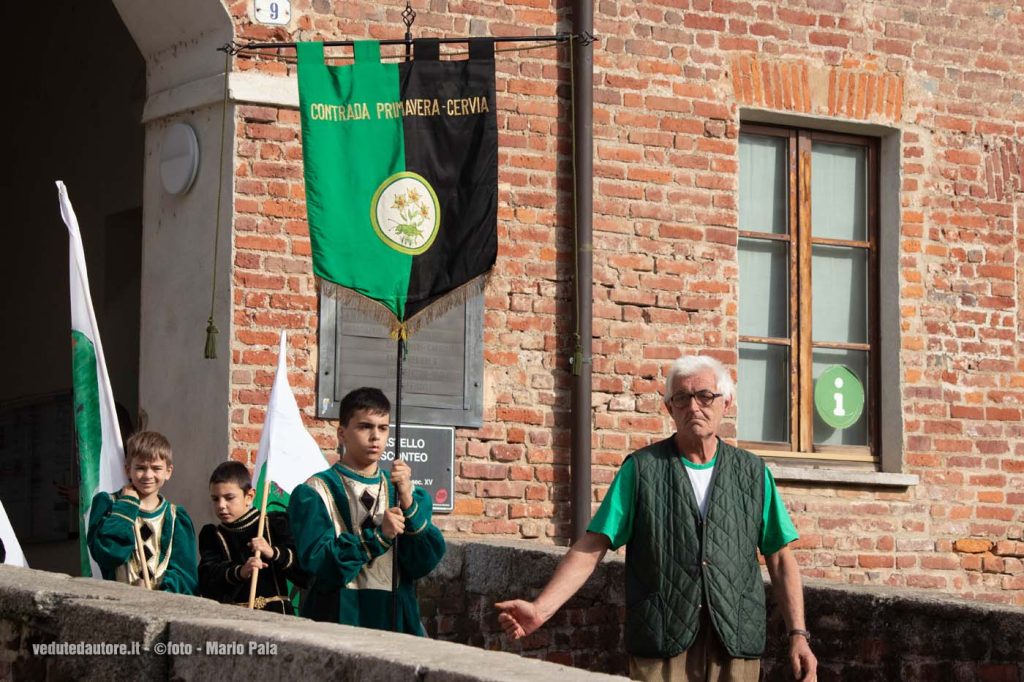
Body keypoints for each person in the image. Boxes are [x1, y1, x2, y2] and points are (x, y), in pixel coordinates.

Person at [496, 355, 817, 682]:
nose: (694, 407)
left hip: (733, 642)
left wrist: (798, 635)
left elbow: (779, 557)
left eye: (705, 396)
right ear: (669, 408)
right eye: (681, 398)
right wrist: (540, 610)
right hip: (662, 639)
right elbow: (593, 545)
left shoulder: (753, 473)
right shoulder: (641, 469)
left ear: (726, 402)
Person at [288, 387, 445, 634]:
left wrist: (407, 501)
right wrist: (377, 538)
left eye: (383, 428)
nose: (375, 437)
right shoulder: (315, 492)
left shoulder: (402, 491)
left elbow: (423, 563)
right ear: (342, 434)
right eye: (365, 427)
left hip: (395, 615)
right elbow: (318, 563)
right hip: (339, 614)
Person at [87, 431, 197, 594]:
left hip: (163, 607)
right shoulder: (108, 505)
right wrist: (127, 505)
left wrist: (155, 594)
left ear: (168, 471)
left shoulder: (176, 518)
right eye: (140, 468)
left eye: (156, 468)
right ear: (127, 469)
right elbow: (108, 554)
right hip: (118, 603)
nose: (148, 475)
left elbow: (185, 577)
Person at [198, 460, 309, 614]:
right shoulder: (213, 535)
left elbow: (305, 574)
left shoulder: (272, 525)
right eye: (215, 499)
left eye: (229, 498)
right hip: (233, 618)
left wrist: (273, 552)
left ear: (249, 496)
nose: (221, 505)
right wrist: (241, 571)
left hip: (277, 617)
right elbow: (207, 580)